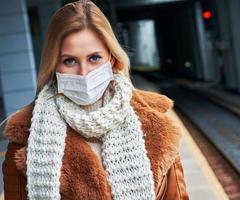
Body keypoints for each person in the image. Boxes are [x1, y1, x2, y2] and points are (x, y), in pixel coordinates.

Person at [2, 0, 189, 199]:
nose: (83, 73)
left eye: (94, 58)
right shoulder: (26, 136)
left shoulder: (156, 124)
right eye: (70, 60)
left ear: (111, 58)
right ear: (54, 65)